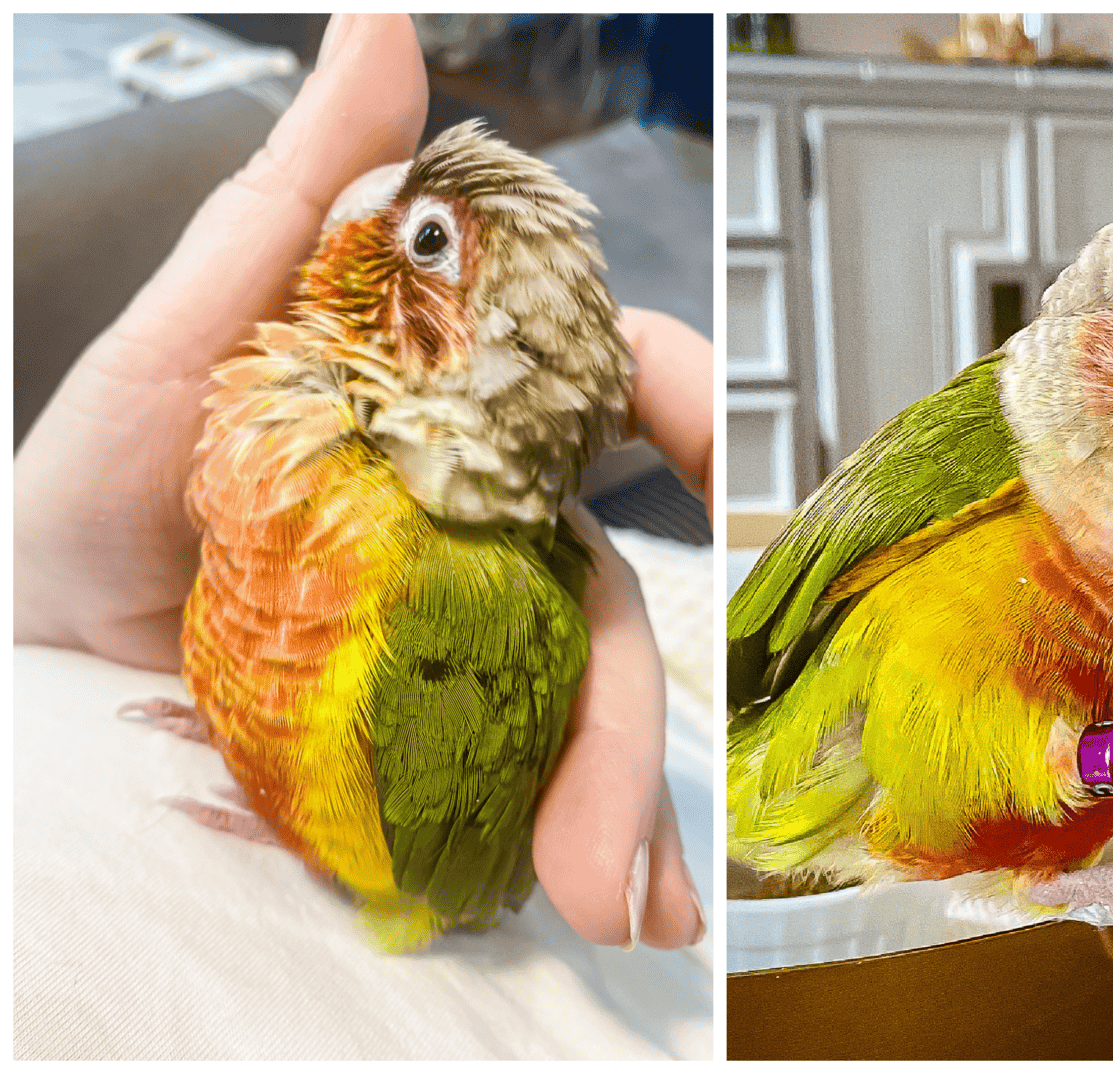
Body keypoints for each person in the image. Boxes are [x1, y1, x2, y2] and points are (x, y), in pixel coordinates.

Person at [14, 13, 710, 952]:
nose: (375, 204)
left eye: (426, 240)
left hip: (395, 887)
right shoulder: (264, 432)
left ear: (450, 343)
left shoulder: (460, 591)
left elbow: (450, 883)